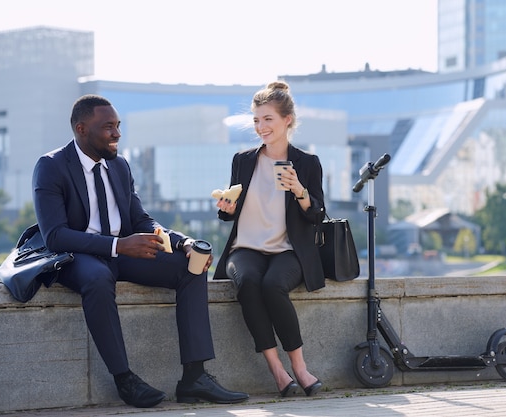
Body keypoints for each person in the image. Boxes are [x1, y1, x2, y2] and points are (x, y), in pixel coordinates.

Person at [32, 94, 248, 408]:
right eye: (108, 127)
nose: (117, 134)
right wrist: (118, 245)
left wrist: (182, 242)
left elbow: (140, 220)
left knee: (191, 266)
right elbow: (55, 236)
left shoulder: (119, 165)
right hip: (78, 256)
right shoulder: (51, 166)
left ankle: (194, 378)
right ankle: (125, 380)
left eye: (118, 126)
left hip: (123, 252)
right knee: (96, 280)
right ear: (81, 129)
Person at [213, 81, 326, 397]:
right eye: (256, 120)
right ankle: (277, 371)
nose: (260, 127)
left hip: (288, 250)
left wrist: (299, 190)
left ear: (287, 119)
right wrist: (226, 207)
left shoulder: (307, 163)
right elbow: (229, 213)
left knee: (272, 286)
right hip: (246, 247)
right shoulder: (243, 160)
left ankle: (300, 368)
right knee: (248, 283)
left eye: (268, 119)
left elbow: (317, 213)